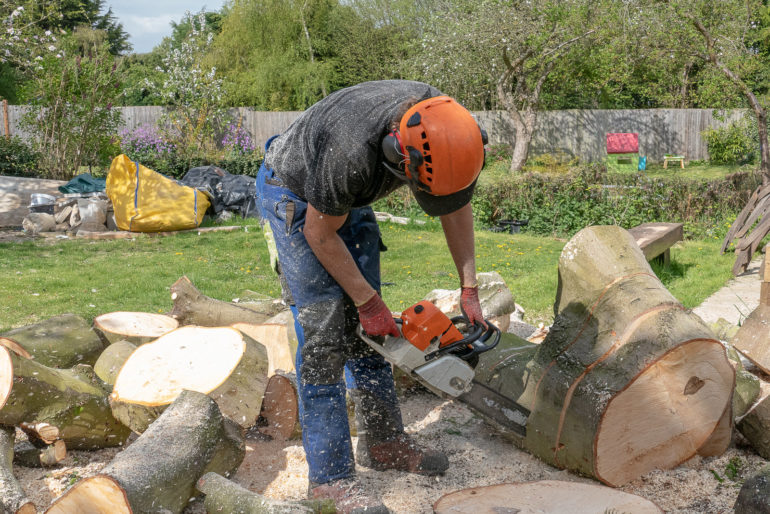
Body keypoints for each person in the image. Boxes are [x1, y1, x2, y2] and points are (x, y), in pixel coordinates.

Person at [256, 80, 487, 514]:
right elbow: (318, 233)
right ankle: (331, 479)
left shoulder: (447, 126)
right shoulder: (351, 152)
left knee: (373, 335)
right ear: (398, 154)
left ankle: (383, 443)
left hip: (344, 196)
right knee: (325, 335)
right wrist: (368, 303)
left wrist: (469, 288)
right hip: (297, 198)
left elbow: (455, 206)